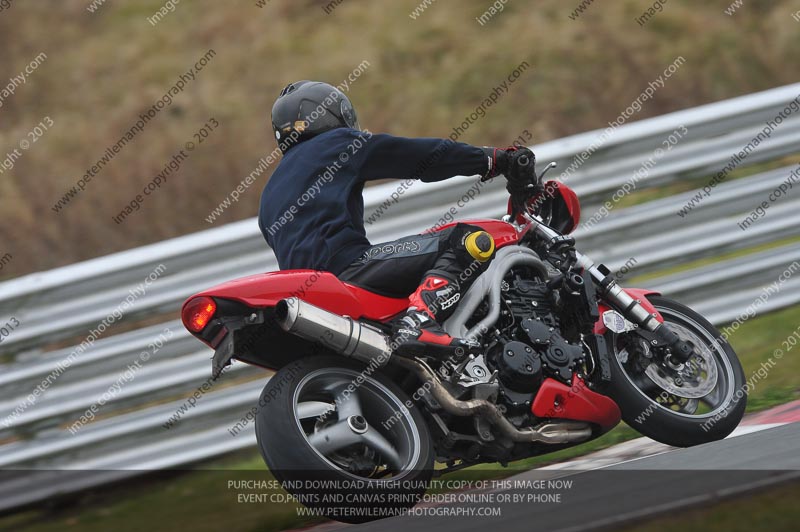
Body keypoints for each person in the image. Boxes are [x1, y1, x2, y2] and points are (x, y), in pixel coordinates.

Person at [259, 80, 535, 352]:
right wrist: (491, 159)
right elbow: (420, 157)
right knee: (469, 239)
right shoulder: (335, 144)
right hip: (349, 268)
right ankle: (420, 321)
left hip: (311, 300)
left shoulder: (268, 195)